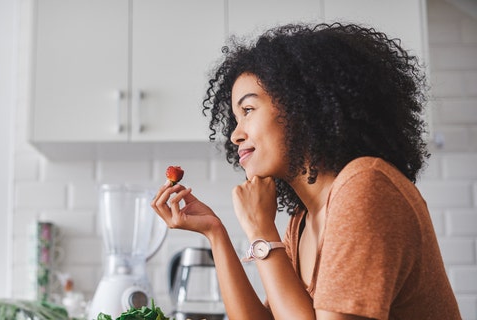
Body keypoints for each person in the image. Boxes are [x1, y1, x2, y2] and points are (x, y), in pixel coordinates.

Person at [151, 23, 461, 320]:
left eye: (247, 111)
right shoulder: (302, 222)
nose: (235, 135)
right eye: (234, 118)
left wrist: (261, 231)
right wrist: (214, 232)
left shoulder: (366, 185)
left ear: (302, 108)